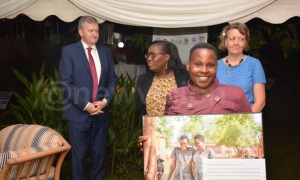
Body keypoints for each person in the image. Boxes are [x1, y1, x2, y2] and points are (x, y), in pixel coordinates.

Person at [59, 16, 117, 180]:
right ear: (80, 32)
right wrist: (86, 105)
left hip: (101, 113)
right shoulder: (69, 51)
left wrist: (105, 102)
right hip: (78, 115)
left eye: (97, 30)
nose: (94, 34)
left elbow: (113, 79)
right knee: (79, 157)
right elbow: (66, 83)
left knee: (100, 155)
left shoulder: (106, 52)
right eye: (90, 30)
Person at [164, 43, 252, 114]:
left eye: (210, 65)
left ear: (217, 67)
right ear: (188, 65)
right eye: (198, 64)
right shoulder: (174, 96)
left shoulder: (236, 94)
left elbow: (250, 132)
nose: (204, 70)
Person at [216, 22, 266, 112]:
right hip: (220, 121)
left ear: (245, 43)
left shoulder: (254, 64)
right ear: (225, 41)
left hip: (247, 119)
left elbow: (260, 102)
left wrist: (244, 121)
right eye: (232, 39)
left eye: (241, 39)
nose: (236, 43)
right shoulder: (215, 66)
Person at [136, 40, 190, 115]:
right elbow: (142, 108)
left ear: (166, 57)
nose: (149, 59)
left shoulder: (185, 77)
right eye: (148, 55)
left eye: (153, 55)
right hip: (152, 125)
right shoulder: (143, 79)